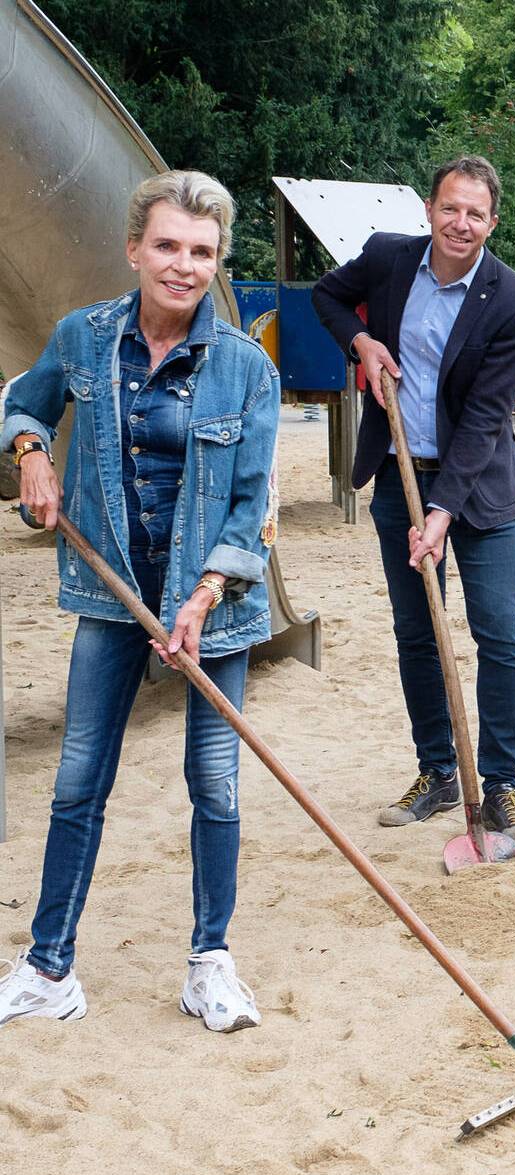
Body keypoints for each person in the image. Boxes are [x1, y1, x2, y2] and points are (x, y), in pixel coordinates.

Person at [1, 171, 279, 1031]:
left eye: (201, 252)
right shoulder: (83, 339)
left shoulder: (246, 370)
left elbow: (249, 508)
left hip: (215, 608)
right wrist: (31, 452)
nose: (183, 265)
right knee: (80, 776)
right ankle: (49, 969)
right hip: (110, 595)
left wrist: (201, 597)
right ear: (134, 250)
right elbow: (23, 399)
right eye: (167, 246)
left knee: (217, 782)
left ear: (217, 261)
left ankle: (210, 964)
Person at [311, 155, 515, 843]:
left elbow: (485, 417)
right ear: (429, 209)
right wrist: (360, 339)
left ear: (492, 222)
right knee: (418, 631)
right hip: (398, 475)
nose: (461, 224)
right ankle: (438, 772)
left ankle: (500, 786)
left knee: (497, 633)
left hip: (479, 490)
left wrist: (440, 513)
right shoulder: (388, 260)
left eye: (476, 214)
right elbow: (325, 296)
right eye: (451, 208)